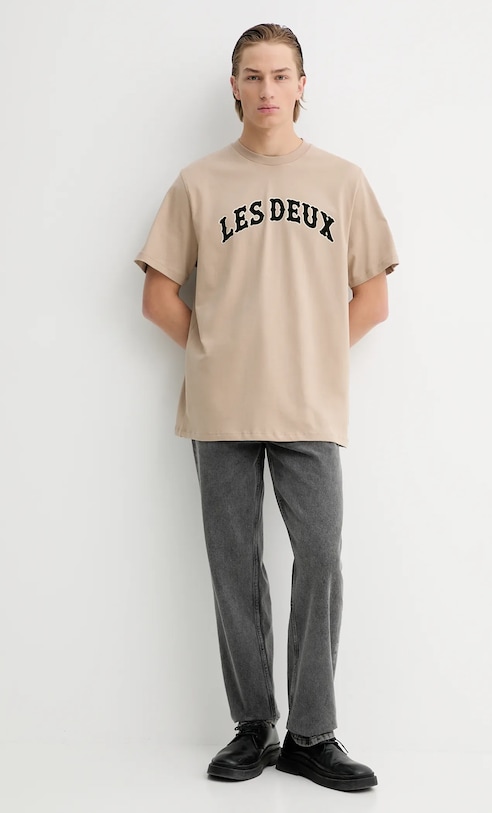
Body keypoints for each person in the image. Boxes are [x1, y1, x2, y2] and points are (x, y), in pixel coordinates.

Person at [134, 23, 398, 792]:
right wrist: (218, 352)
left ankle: (312, 734)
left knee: (320, 559)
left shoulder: (342, 181)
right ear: (235, 87)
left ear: (302, 85)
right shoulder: (199, 182)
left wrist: (310, 355)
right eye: (253, 75)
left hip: (308, 406)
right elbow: (158, 295)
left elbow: (373, 296)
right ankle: (254, 726)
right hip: (221, 406)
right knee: (234, 565)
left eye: (281, 75)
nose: (267, 89)